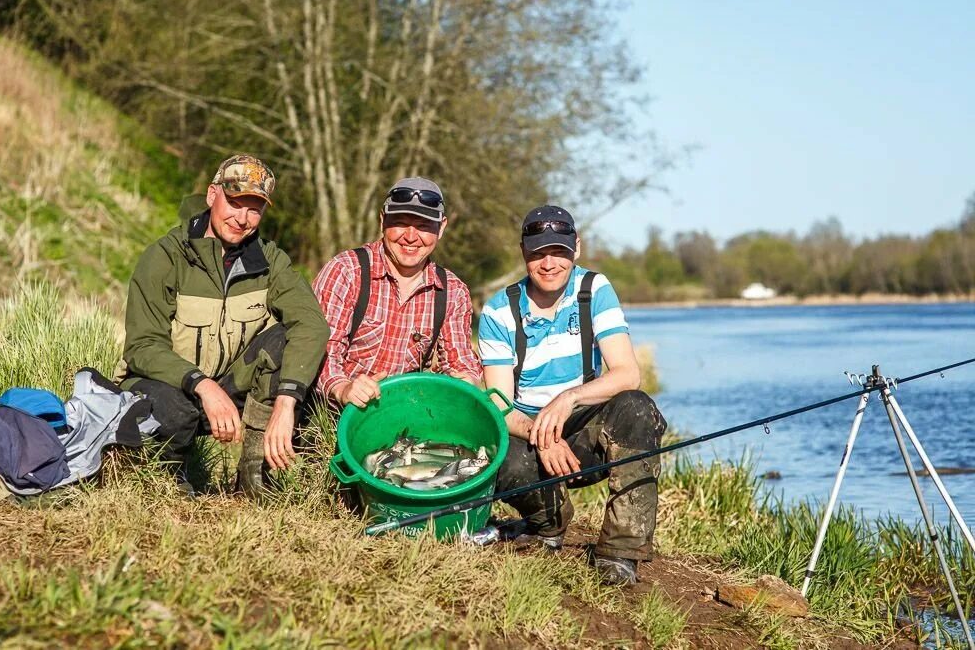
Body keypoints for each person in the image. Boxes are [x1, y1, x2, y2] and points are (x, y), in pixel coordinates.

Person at [114, 154, 331, 497]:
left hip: (233, 387)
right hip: (168, 385)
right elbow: (142, 347)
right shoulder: (165, 257)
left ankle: (256, 478)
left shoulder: (271, 260)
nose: (242, 218)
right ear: (213, 194)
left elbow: (312, 325)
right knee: (171, 410)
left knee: (288, 341)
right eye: (234, 202)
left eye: (254, 208)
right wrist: (203, 386)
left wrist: (287, 402)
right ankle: (166, 477)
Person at [478, 205, 667, 585]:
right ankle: (548, 523)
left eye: (559, 251)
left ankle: (620, 553)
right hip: (527, 435)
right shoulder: (499, 310)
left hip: (583, 430)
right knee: (495, 456)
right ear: (523, 252)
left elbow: (628, 372)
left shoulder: (594, 289)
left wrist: (568, 400)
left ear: (576, 248)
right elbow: (499, 404)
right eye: (538, 253)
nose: (549, 263)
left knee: (636, 407)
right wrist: (542, 434)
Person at [311, 177, 481, 410]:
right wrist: (343, 388)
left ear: (441, 228)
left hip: (404, 417)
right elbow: (320, 351)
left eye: (423, 226)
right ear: (382, 220)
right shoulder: (347, 271)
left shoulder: (452, 291)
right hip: (333, 412)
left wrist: (466, 379)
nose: (411, 237)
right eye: (400, 223)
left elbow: (460, 360)